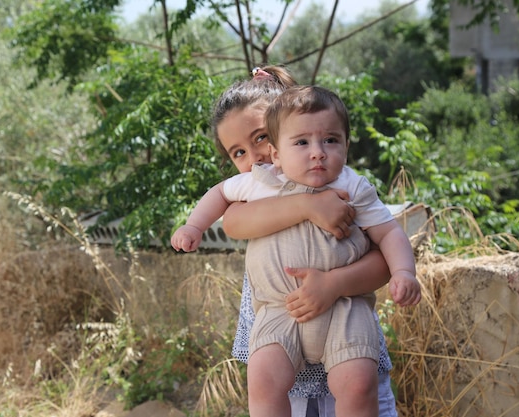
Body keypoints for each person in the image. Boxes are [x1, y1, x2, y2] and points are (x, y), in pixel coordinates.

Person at [172, 81, 420, 417]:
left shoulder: (349, 185)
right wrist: (193, 226)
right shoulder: (259, 185)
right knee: (264, 382)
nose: (255, 156)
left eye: (260, 137)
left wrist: (397, 273)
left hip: (345, 315)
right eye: (238, 152)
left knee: (358, 387)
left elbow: (387, 243)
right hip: (281, 319)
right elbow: (226, 212)